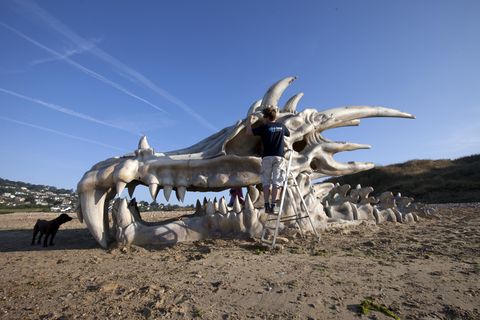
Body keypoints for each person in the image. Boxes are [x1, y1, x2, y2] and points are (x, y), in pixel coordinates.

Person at [246, 106, 290, 213]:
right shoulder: (281, 126)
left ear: (266, 117)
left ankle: (266, 205)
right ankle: (274, 205)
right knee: (277, 182)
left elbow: (248, 133)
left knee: (266, 183)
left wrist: (249, 122)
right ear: (274, 116)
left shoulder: (264, 127)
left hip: (266, 157)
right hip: (279, 157)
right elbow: (288, 134)